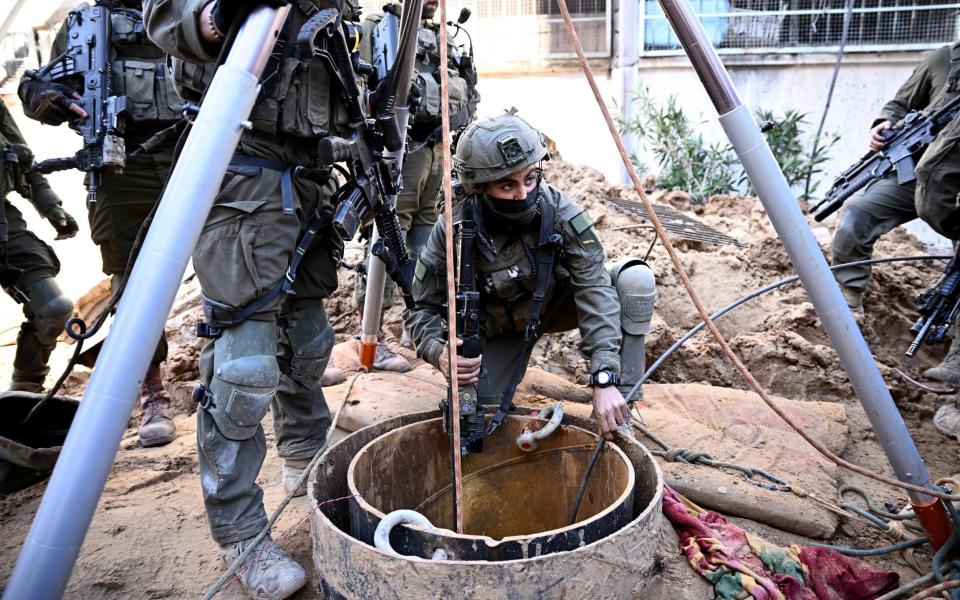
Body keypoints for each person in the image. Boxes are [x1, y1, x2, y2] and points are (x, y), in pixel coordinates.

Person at [144, 0, 348, 596]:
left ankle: (305, 458)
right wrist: (219, 12)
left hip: (312, 175)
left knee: (308, 338)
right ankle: (240, 533)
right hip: (240, 170)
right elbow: (170, 20)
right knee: (245, 366)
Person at [405, 111, 656, 441]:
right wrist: (441, 352)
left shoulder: (560, 211)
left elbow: (595, 289)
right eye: (507, 185)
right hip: (498, 325)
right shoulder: (453, 227)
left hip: (557, 305)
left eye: (530, 179)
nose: (522, 195)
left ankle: (620, 411)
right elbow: (420, 308)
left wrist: (604, 376)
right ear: (479, 188)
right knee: (475, 421)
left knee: (634, 280)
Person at [18, 0, 180, 446]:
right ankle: (153, 392)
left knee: (238, 254)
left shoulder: (186, 9)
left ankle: (276, 366)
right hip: (123, 164)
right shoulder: (87, 24)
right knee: (133, 278)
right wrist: (45, 99)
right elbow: (38, 87)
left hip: (197, 150)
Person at [346, 0, 480, 374]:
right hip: (400, 149)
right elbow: (366, 89)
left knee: (425, 242)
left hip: (438, 148)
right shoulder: (382, 28)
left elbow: (468, 92)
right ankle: (371, 335)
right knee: (389, 238)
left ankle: (416, 326)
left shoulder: (448, 37)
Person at [830, 41, 960, 384]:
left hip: (956, 186)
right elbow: (900, 105)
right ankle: (849, 296)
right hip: (916, 173)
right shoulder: (944, 59)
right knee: (857, 212)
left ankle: (956, 359)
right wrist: (883, 125)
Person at [0, 101, 76, 394]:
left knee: (55, 309)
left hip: (5, 225)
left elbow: (25, 161)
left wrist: (51, 207)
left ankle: (26, 386)